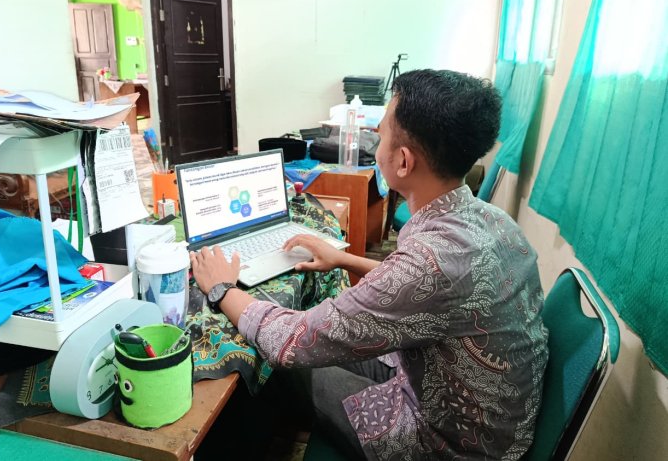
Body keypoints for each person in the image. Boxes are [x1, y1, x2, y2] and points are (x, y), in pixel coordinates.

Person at [190, 69, 549, 460]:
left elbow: (293, 341)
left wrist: (222, 288)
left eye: (380, 133)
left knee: (271, 361)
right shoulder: (493, 221)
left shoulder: (430, 263)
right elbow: (432, 292)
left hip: (445, 443)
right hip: (469, 405)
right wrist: (343, 259)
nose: (375, 139)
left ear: (403, 161)